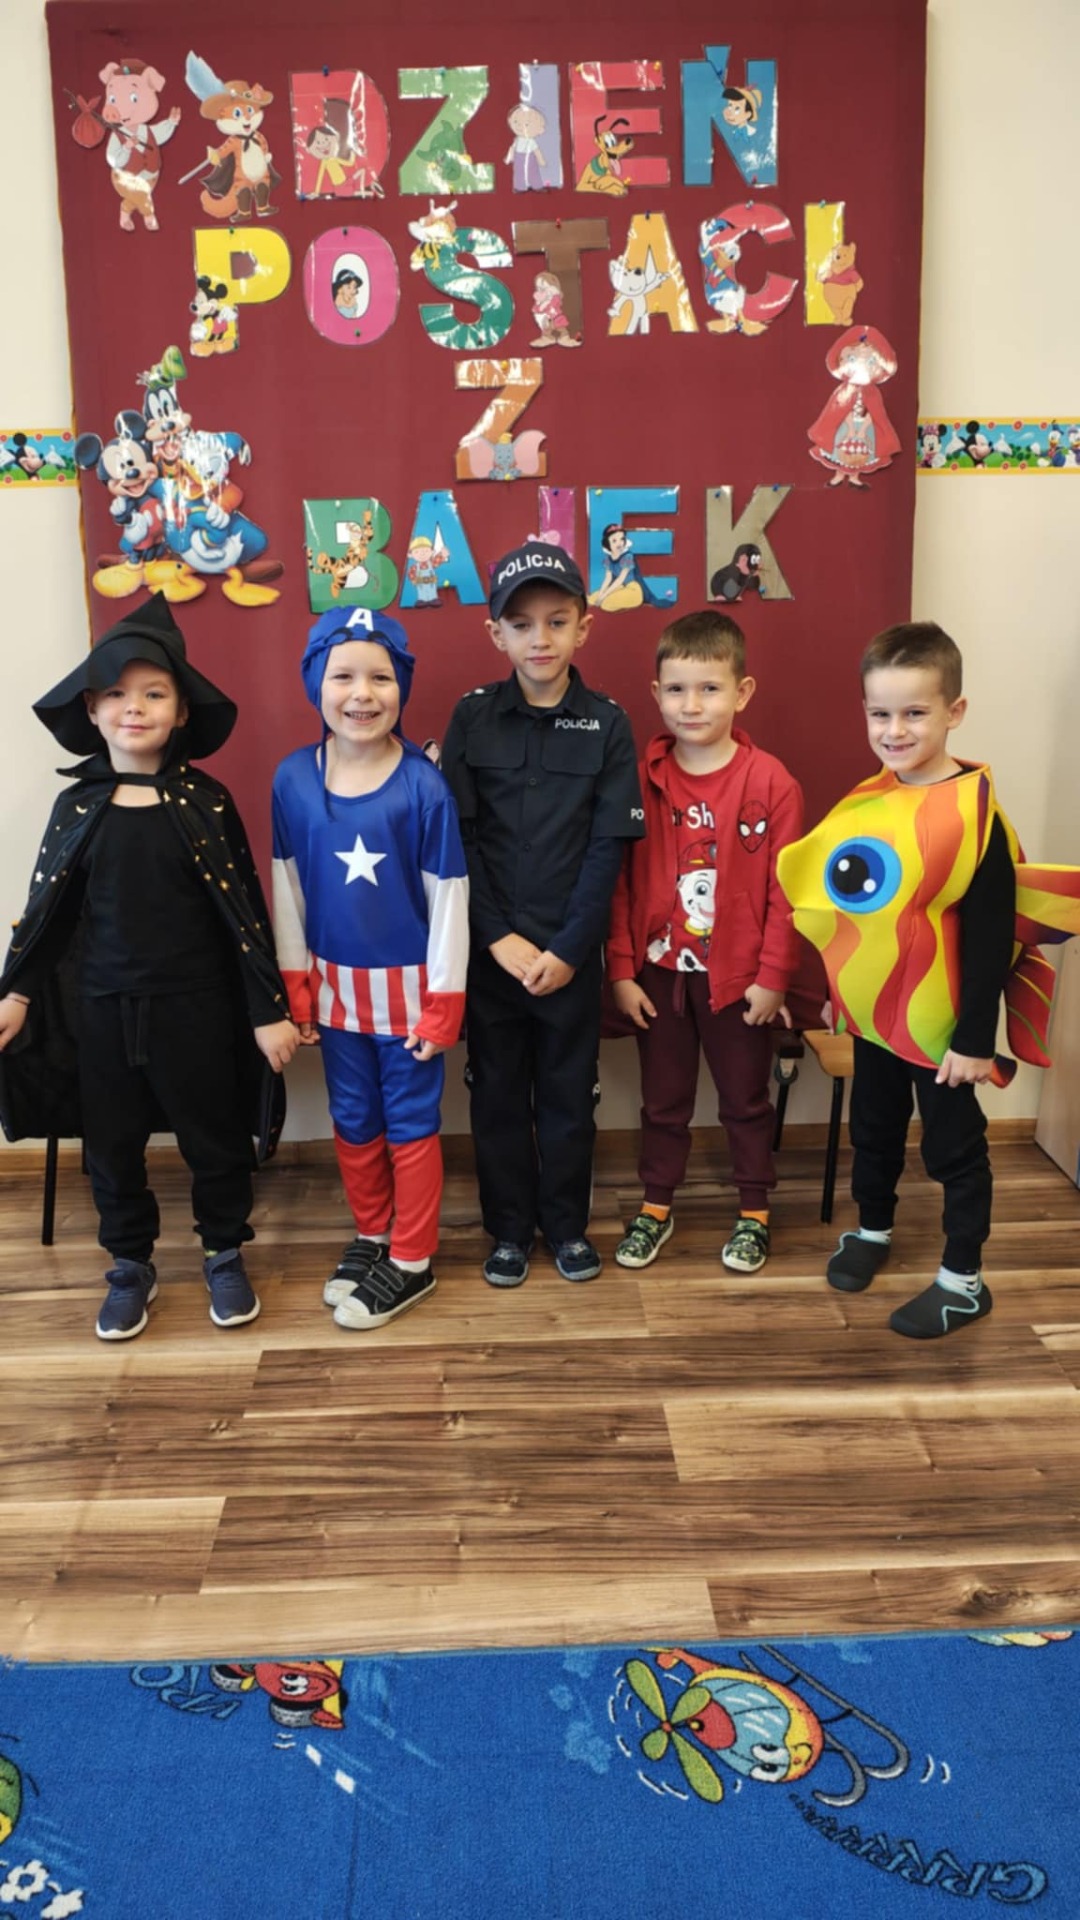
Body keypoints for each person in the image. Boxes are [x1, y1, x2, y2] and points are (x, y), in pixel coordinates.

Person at [0, 595, 298, 1340]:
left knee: (213, 1137)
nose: (134, 708)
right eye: (116, 694)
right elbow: (49, 913)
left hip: (195, 1007)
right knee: (112, 1144)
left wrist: (268, 1010)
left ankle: (223, 1250)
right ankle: (129, 1262)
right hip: (103, 1007)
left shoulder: (207, 803)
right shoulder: (78, 808)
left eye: (154, 693)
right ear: (92, 710)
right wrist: (18, 993)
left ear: (181, 710)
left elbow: (243, 915)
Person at [776, 622, 1017, 1338]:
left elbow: (991, 936)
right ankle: (872, 1228)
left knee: (952, 1146)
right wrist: (840, 993)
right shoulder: (871, 799)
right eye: (880, 713)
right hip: (874, 1013)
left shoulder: (975, 815)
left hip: (943, 1023)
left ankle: (964, 1280)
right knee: (873, 1127)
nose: (895, 729)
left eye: (915, 712)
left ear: (954, 711)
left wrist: (975, 1039)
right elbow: (856, 912)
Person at [441, 541, 644, 1287]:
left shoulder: (609, 724)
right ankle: (507, 1231)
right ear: (495, 633)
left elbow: (607, 849)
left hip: (569, 958)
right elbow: (457, 840)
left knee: (568, 1100)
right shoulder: (471, 718)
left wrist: (568, 949)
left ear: (583, 627)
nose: (540, 639)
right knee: (495, 1097)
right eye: (522, 624)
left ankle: (565, 1227)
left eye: (557, 621)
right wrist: (496, 937)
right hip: (492, 956)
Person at [272, 605, 469, 1329]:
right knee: (353, 1118)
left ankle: (412, 1259)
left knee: (411, 1123)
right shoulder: (294, 780)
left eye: (381, 677)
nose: (362, 693)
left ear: (402, 686)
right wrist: (296, 987)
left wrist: (444, 1004)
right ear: (315, 684)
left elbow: (450, 899)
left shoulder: (424, 787)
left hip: (411, 998)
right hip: (335, 997)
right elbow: (286, 886)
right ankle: (374, 1232)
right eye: (343, 676)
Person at [606, 610, 803, 1276]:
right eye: (677, 690)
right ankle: (656, 1205)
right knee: (663, 1102)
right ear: (656, 693)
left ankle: (755, 1212)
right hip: (659, 977)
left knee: (745, 1101)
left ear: (741, 693)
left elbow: (786, 895)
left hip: (739, 980)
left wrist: (773, 977)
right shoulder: (638, 780)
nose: (692, 705)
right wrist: (622, 970)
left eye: (710, 689)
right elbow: (619, 884)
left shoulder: (772, 783)